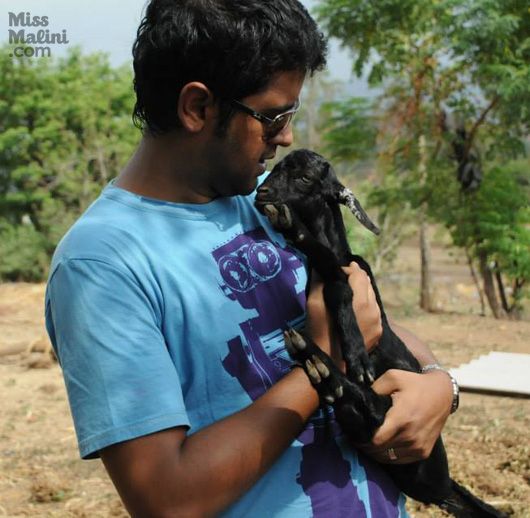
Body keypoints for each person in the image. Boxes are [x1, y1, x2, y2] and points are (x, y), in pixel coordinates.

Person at [45, 1, 455, 516]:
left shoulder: (269, 200)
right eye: (273, 116)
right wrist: (322, 359)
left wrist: (440, 383)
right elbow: (165, 498)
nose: (285, 136)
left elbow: (369, 320)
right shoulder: (102, 265)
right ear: (197, 107)